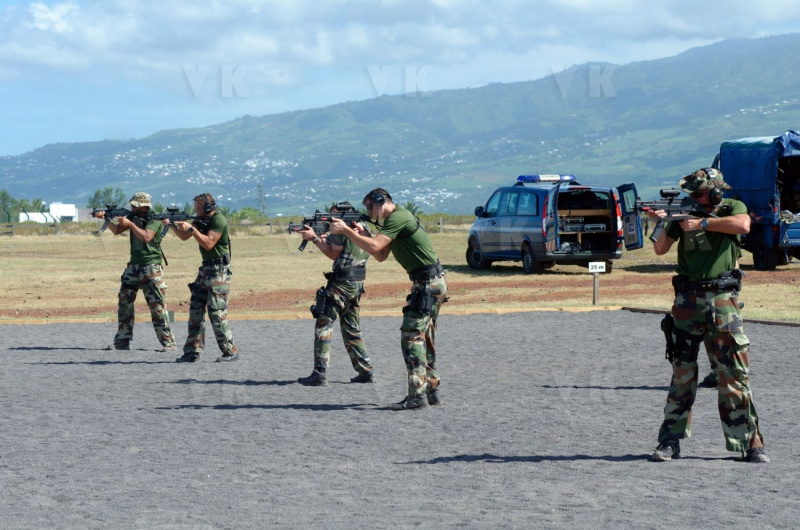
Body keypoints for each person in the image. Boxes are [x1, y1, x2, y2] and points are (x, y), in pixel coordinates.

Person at [647, 168, 768, 463]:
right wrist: (662, 222)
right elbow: (660, 250)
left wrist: (702, 222)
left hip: (723, 301)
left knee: (734, 373)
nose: (694, 198)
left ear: (714, 192)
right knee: (682, 373)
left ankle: (748, 443)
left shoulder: (732, 207)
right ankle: (669, 441)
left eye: (699, 194)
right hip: (687, 302)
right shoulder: (684, 213)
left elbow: (743, 225)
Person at [329, 188, 448, 410]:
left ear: (380, 201)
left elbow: (375, 247)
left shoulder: (397, 217)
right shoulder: (393, 221)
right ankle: (431, 390)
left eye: (369, 206)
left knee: (411, 337)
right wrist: (361, 234)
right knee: (425, 337)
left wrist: (346, 231)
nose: (367, 211)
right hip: (431, 281)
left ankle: (417, 396)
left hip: (428, 283)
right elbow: (381, 255)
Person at [295, 202, 376, 387]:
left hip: (342, 283)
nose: (331, 220)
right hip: (357, 282)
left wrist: (315, 239)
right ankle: (365, 370)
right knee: (351, 328)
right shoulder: (364, 227)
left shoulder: (341, 229)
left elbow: (334, 254)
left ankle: (320, 373)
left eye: (333, 216)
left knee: (324, 322)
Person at [93, 192, 177, 352]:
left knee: (157, 306)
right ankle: (122, 341)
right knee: (124, 302)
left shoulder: (154, 219)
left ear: (143, 207)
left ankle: (168, 343)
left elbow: (147, 237)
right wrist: (106, 219)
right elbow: (117, 230)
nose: (131, 208)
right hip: (134, 266)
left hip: (151, 267)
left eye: (134, 206)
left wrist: (130, 224)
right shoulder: (132, 217)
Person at [166, 193, 239, 363]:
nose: (196, 210)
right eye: (195, 207)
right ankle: (192, 351)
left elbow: (208, 243)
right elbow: (184, 237)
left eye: (199, 207)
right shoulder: (200, 220)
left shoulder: (218, 219)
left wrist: (192, 229)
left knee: (216, 311)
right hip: (205, 269)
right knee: (196, 309)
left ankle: (230, 351)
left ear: (208, 207)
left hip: (219, 270)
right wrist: (172, 225)